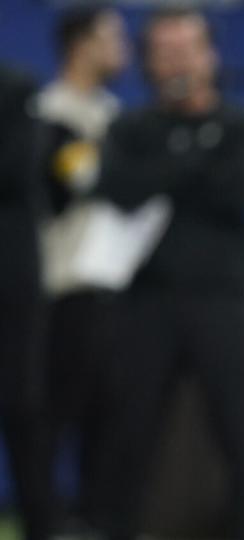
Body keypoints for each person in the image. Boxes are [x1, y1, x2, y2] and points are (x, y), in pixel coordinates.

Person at [90, 8, 244, 539]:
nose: (176, 62)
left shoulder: (240, 125)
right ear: (148, 61)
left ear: (209, 54)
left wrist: (168, 169)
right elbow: (119, 188)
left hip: (223, 302)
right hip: (146, 302)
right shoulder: (131, 126)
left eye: (186, 49)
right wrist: (193, 156)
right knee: (127, 434)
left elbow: (234, 190)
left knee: (241, 434)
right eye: (164, 51)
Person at [35, 5, 127, 529]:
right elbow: (71, 187)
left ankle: (97, 519)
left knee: (108, 419)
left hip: (111, 289)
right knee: (53, 415)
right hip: (64, 288)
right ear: (81, 44)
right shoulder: (47, 113)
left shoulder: (112, 114)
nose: (123, 45)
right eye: (111, 35)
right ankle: (42, 517)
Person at [0, 63, 53, 540]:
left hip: (10, 278)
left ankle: (40, 524)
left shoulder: (15, 88)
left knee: (21, 403)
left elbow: (15, 170)